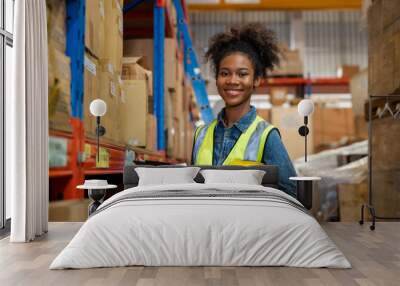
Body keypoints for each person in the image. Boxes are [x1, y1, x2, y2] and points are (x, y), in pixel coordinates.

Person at [191, 23, 297, 197]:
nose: (233, 80)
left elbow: (291, 193)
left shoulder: (266, 136)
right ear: (217, 79)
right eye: (225, 73)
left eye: (242, 74)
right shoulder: (200, 135)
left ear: (256, 80)